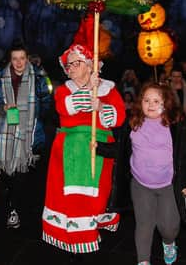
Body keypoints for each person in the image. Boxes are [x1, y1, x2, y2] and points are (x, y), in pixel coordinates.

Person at [42, 42, 126, 255]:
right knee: (70, 198)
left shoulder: (108, 88)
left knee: (97, 194)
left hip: (99, 149)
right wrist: (90, 92)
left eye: (76, 63)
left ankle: (93, 229)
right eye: (68, 65)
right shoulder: (64, 90)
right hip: (69, 150)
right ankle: (74, 238)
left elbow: (118, 118)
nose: (70, 68)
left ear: (90, 65)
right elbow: (66, 107)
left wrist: (102, 106)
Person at [124, 82, 186, 265]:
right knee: (144, 224)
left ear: (166, 103)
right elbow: (120, 150)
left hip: (168, 185)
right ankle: (143, 261)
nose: (150, 104)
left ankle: (169, 242)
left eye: (156, 101)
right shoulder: (133, 123)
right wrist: (99, 147)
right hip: (140, 184)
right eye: (146, 100)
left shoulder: (175, 126)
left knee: (169, 227)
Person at [0, 41, 53, 229]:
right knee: (9, 174)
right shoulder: (0, 78)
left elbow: (46, 103)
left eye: (22, 58)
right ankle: (13, 203)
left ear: (27, 59)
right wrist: (3, 107)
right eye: (15, 59)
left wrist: (32, 119)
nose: (19, 63)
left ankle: (14, 208)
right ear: (10, 60)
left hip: (31, 135)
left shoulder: (39, 78)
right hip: (6, 134)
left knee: (22, 174)